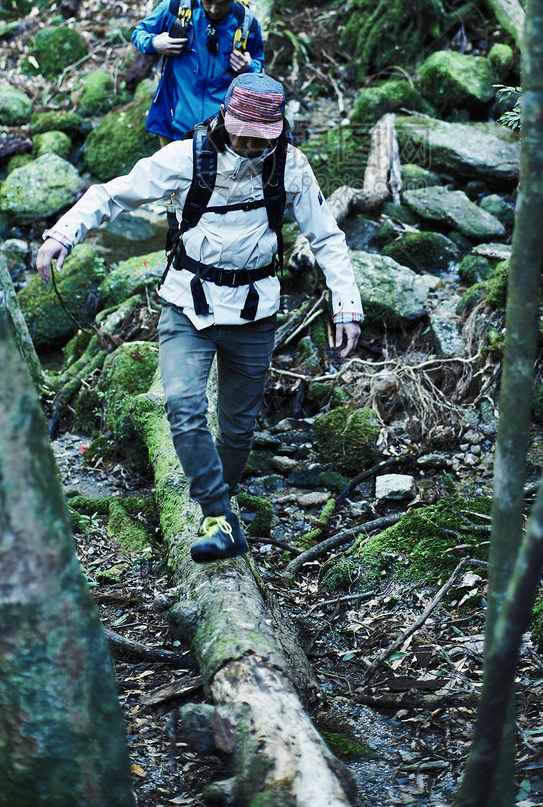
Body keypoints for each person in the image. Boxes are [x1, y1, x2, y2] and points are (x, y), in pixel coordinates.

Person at [36, 72, 363, 564]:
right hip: (187, 305)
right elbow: (111, 194)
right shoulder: (186, 157)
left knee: (236, 430)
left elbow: (327, 237)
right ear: (226, 120)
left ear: (278, 130)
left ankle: (221, 504)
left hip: (255, 313)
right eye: (243, 132)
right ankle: (217, 515)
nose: (251, 143)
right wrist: (63, 234)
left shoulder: (290, 167)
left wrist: (347, 304)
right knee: (184, 406)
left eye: (262, 136)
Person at [132, 0, 266, 142]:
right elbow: (138, 33)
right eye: (208, 0)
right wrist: (155, 42)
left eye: (223, 3)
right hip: (174, 125)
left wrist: (249, 67)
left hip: (221, 131)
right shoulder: (174, 9)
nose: (214, 9)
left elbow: (260, 68)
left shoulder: (247, 24)